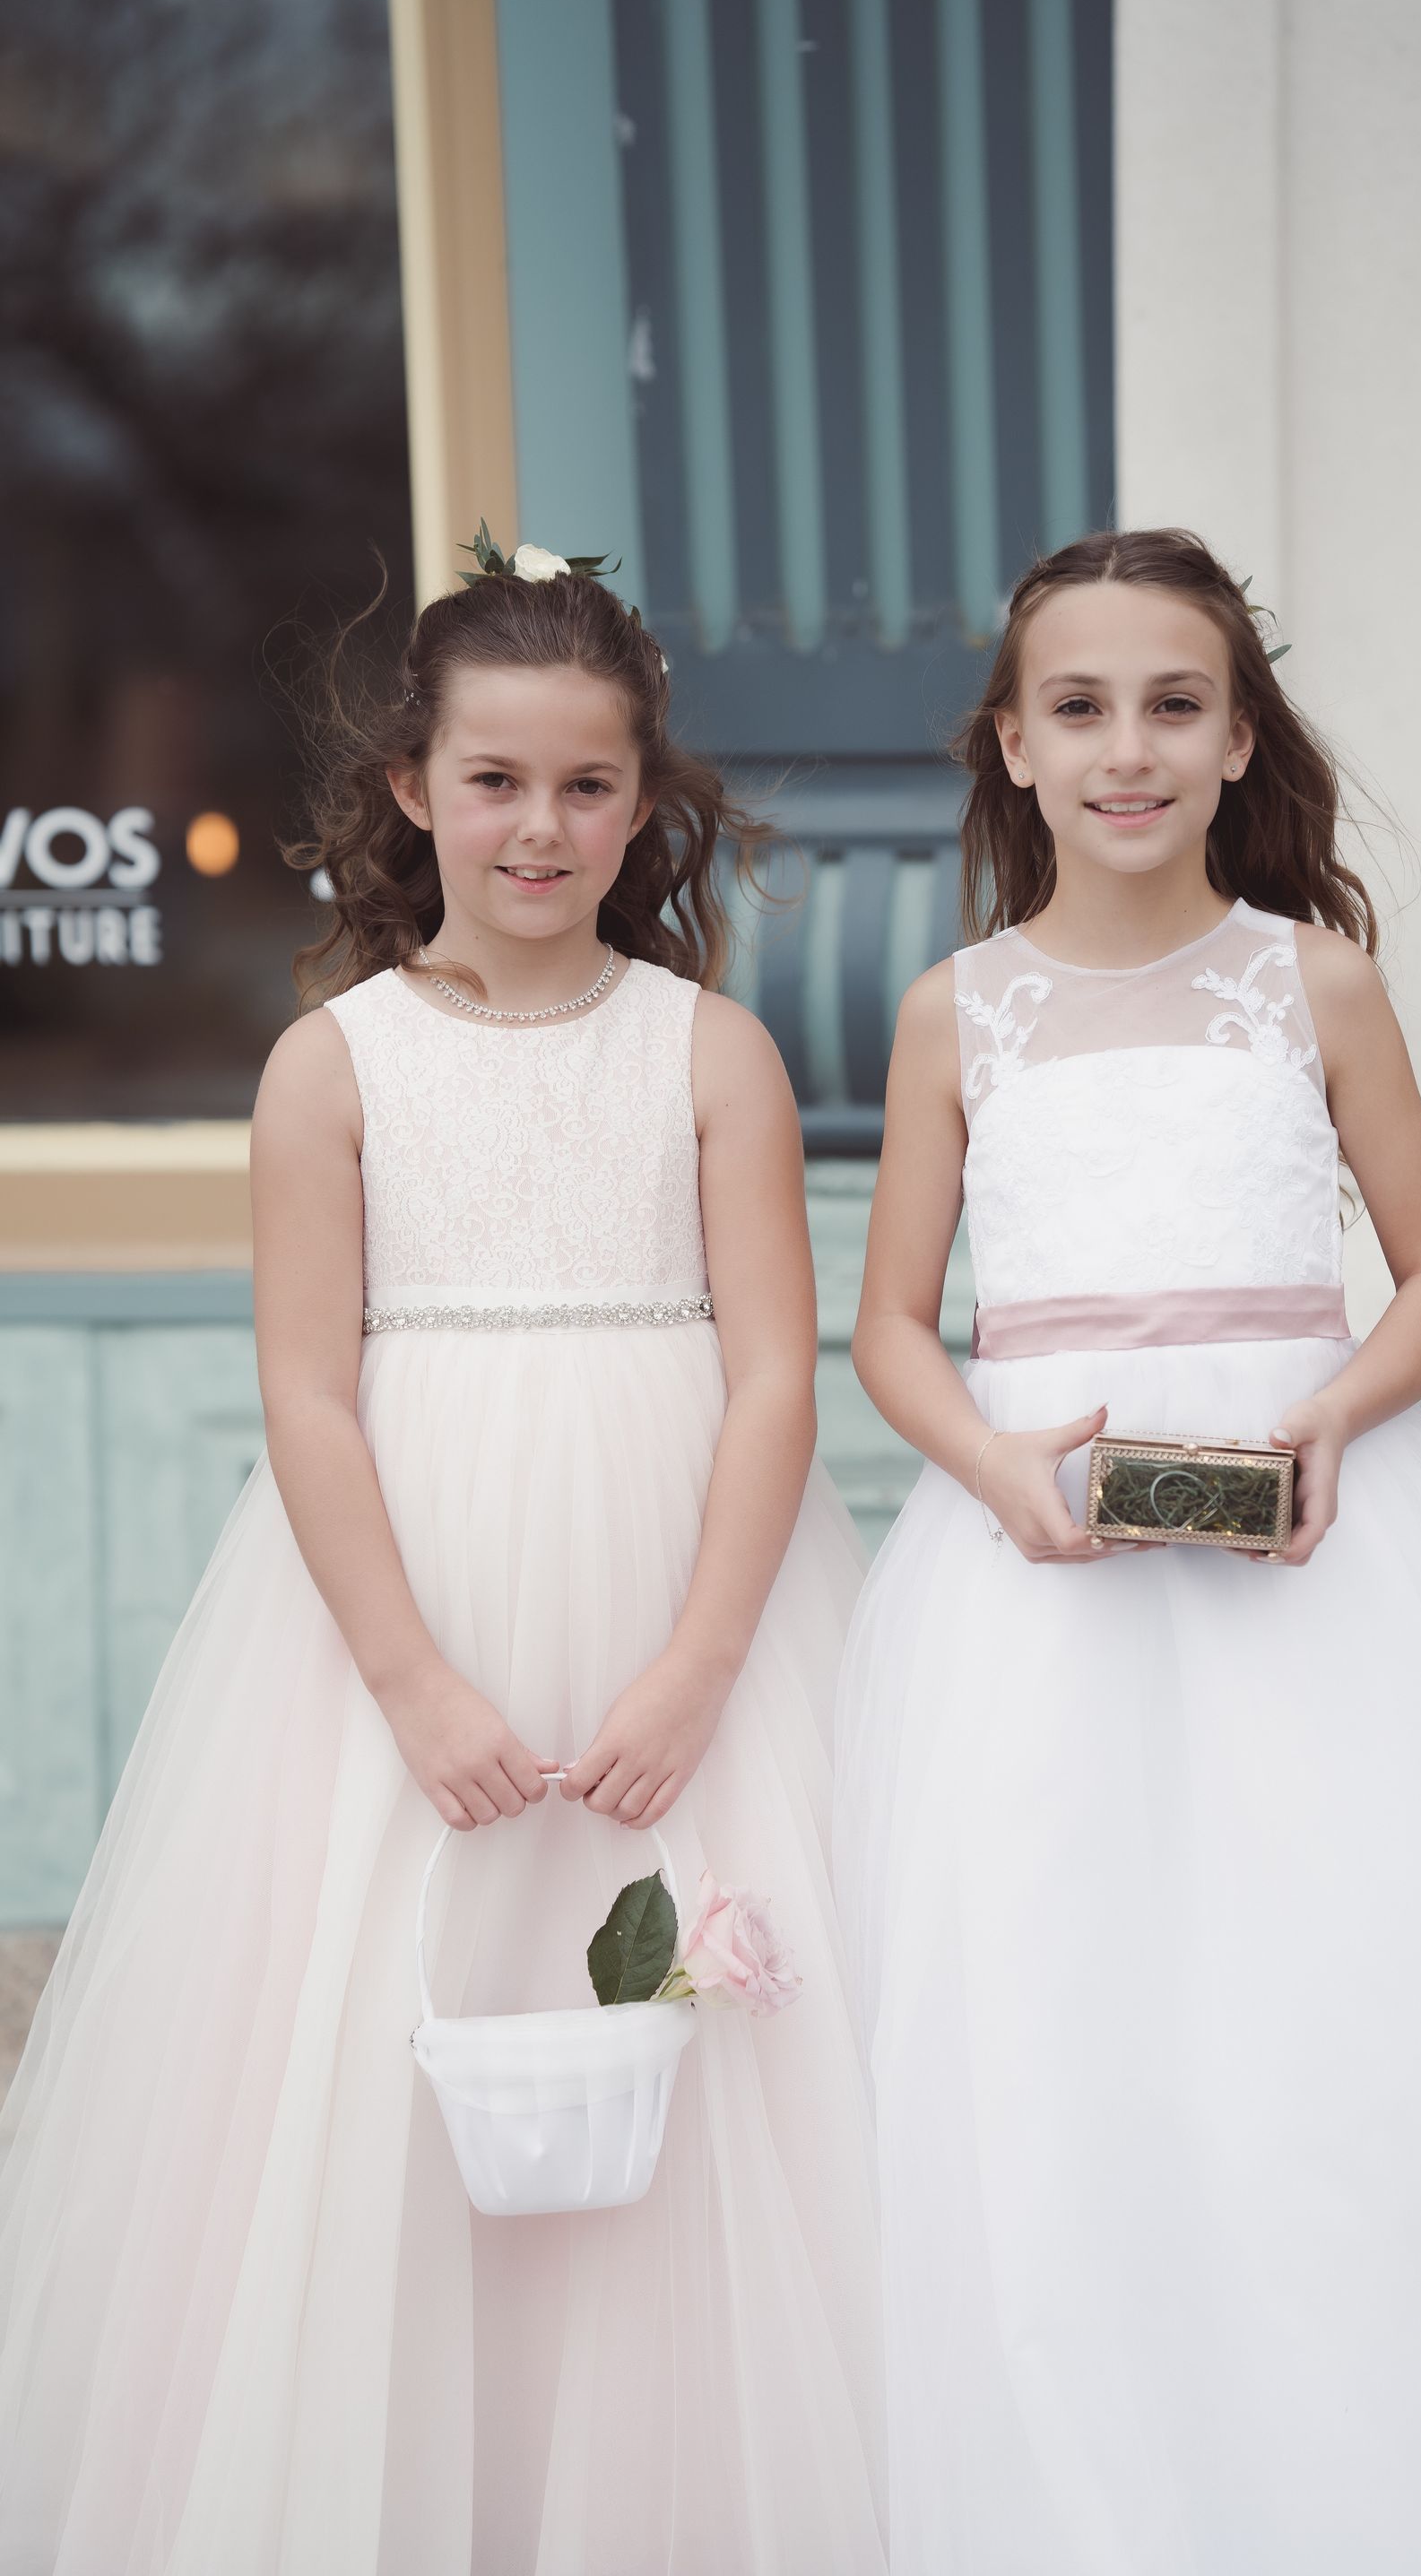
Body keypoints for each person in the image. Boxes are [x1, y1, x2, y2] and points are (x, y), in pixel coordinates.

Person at [834, 527, 1421, 2575]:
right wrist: (994, 1466)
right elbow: (889, 1324)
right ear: (1011, 745)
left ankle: (1373, 2484)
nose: (1127, 749)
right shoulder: (959, 1013)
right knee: (1067, 2036)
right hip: (1039, 1594)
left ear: (1240, 740)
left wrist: (1328, 1413)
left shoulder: (1309, 979)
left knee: (1337, 2034)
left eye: (1174, 706)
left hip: (1324, 1584)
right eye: (1080, 708)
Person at [0, 539, 886, 2574]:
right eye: (495, 780)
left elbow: (774, 1377)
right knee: (384, 2036)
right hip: (410, 1614)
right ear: (413, 786)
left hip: (680, 1599)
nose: (539, 827)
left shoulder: (709, 1053)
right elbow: (310, 1397)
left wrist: (702, 1667)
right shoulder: (333, 1065)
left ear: (644, 802)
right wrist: (407, 1682)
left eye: (587, 785)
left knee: (704, 2051)